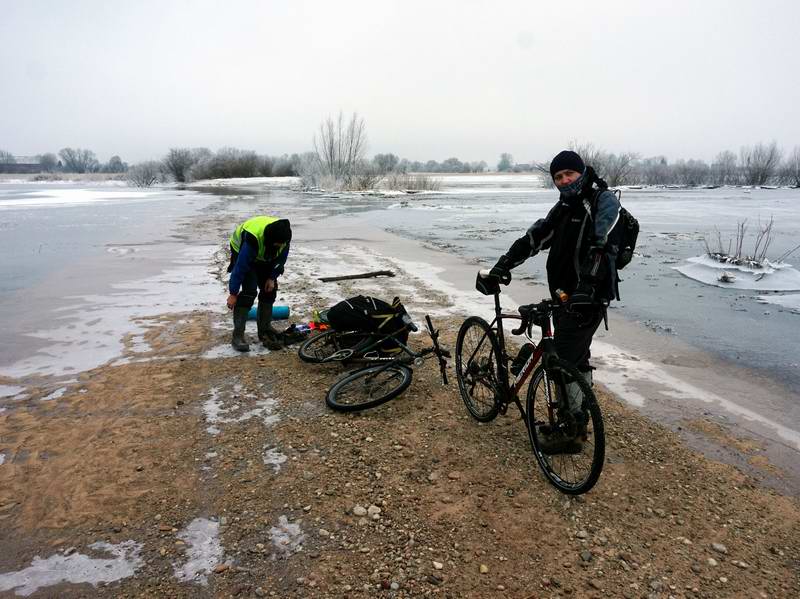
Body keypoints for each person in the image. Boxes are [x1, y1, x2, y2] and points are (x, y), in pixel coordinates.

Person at [490, 150, 621, 453]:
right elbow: (534, 239)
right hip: (564, 296)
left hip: (588, 298)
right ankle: (577, 421)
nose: (564, 180)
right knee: (574, 358)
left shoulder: (602, 201)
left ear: (581, 173)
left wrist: (587, 287)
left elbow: (604, 245)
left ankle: (572, 431)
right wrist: (503, 264)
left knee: (562, 359)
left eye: (569, 175)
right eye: (558, 177)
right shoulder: (563, 208)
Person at [227, 216, 292, 352]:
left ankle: (264, 329)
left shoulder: (284, 237)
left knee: (269, 290)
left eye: (281, 244)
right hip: (241, 249)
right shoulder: (253, 239)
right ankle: (237, 336)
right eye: (277, 244)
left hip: (264, 254)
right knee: (249, 292)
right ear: (270, 240)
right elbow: (240, 268)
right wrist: (233, 293)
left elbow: (281, 259)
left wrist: (272, 277)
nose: (280, 246)